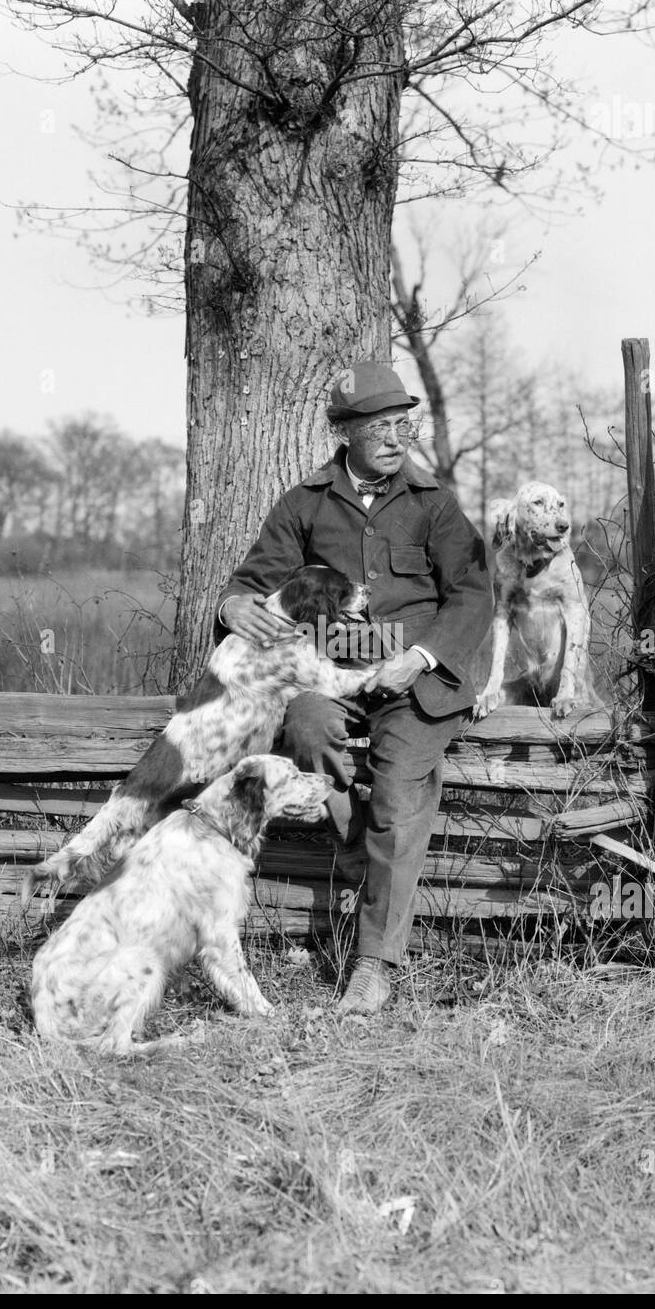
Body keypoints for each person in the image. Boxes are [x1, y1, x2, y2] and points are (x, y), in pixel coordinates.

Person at [216, 361, 493, 1014]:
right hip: (334, 669)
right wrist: (232, 607)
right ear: (344, 431)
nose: (398, 438)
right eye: (382, 427)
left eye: (405, 424)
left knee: (400, 793)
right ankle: (363, 831)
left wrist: (422, 655)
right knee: (306, 728)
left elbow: (475, 594)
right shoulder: (305, 502)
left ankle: (372, 966)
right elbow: (255, 580)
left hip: (418, 679)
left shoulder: (434, 503)